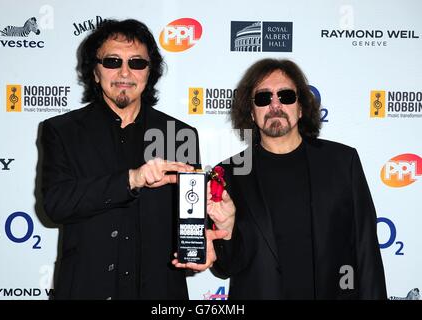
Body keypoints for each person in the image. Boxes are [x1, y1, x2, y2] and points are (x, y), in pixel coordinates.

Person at [197, 58, 387, 299]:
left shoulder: (342, 162)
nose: (275, 105)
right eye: (263, 98)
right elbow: (225, 268)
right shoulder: (228, 173)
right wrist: (227, 230)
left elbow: (366, 251)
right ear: (252, 113)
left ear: (301, 108)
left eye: (286, 96)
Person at [40, 19, 201, 300]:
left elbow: (190, 221)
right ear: (94, 70)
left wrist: (207, 236)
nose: (125, 72)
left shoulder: (179, 135)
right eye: (112, 61)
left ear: (150, 72)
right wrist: (132, 179)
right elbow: (56, 204)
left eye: (137, 63)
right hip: (86, 289)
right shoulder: (61, 131)